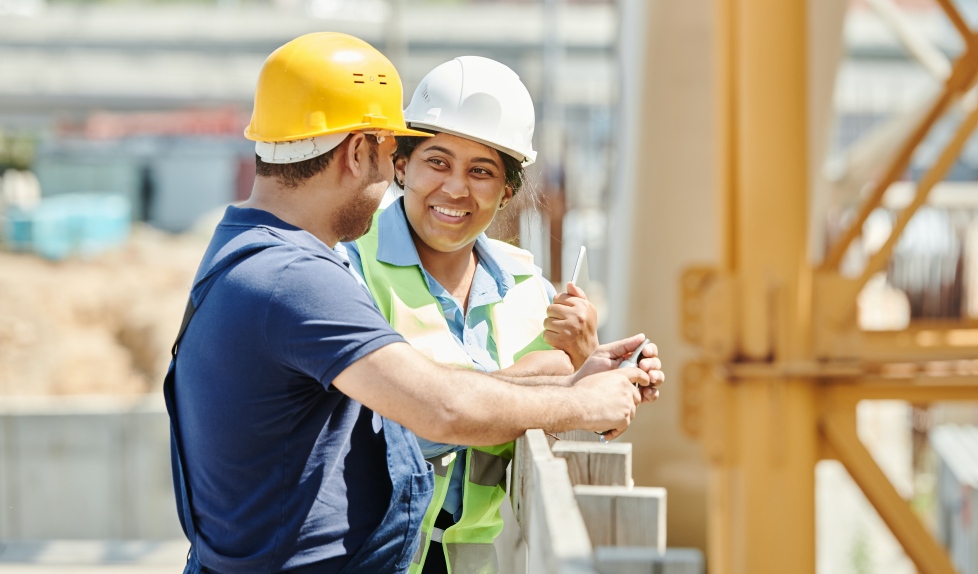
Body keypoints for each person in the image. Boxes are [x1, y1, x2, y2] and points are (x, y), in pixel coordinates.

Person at [165, 32, 663, 574]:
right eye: (391, 154)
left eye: (481, 170)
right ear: (360, 152)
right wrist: (579, 402)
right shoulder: (297, 278)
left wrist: (572, 378)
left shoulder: (254, 253)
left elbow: (429, 395)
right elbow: (438, 407)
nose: (389, 179)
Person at [341, 56, 608, 574]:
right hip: (369, 552)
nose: (456, 188)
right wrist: (527, 382)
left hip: (472, 559)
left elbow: (560, 428)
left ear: (507, 190)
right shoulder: (351, 266)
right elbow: (381, 422)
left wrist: (587, 361)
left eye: (481, 171)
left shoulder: (531, 290)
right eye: (437, 162)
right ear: (402, 165)